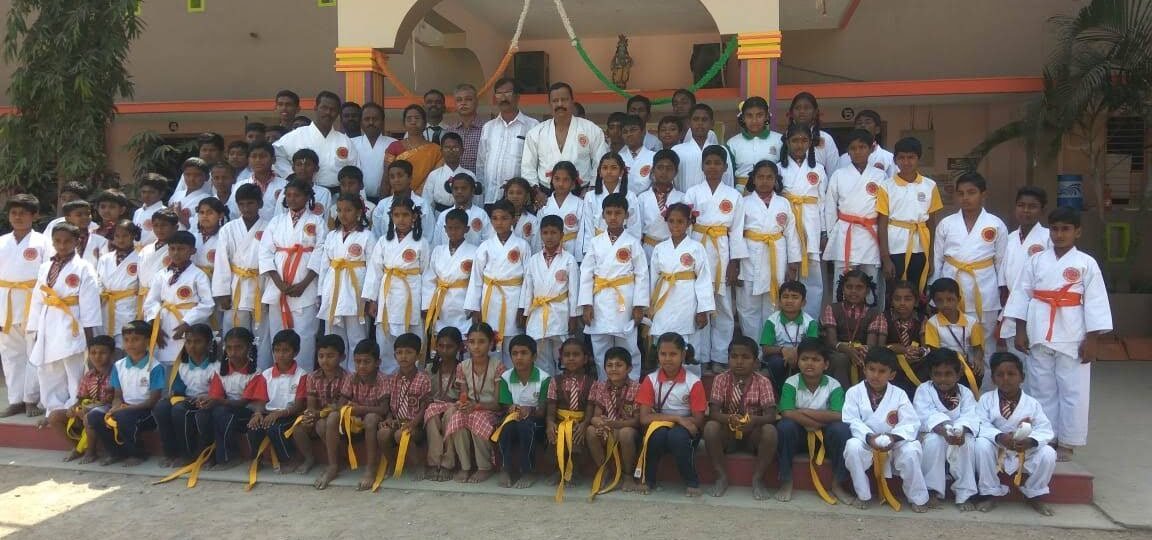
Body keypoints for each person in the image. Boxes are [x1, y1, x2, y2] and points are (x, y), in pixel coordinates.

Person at [1003, 206, 1111, 462]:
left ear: (1077, 232)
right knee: (1041, 388)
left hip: (1073, 334)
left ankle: (1069, 441)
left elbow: (1096, 302)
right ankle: (1046, 436)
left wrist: (1092, 339)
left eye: (1066, 229)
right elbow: (1021, 295)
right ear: (1049, 231)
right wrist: (1020, 330)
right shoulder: (1036, 260)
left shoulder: (1086, 263)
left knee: (1073, 390)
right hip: (1039, 330)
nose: (1060, 234)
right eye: (1055, 229)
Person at [933, 171, 1008, 384]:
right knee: (951, 340)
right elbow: (937, 260)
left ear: (983, 195)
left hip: (984, 291)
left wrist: (1003, 294)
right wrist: (934, 293)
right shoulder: (946, 223)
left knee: (984, 343)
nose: (965, 198)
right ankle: (951, 390)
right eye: (961, 193)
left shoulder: (996, 224)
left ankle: (985, 392)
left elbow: (1001, 263)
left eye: (971, 192)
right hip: (951, 289)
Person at [842, 346, 929, 512]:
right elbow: (851, 420)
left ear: (892, 375)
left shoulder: (899, 394)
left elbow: (910, 422)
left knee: (912, 449)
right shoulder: (854, 392)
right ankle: (863, 495)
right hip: (866, 441)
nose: (875, 375)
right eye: (871, 369)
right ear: (864, 370)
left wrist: (893, 438)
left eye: (882, 371)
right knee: (852, 446)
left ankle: (917, 497)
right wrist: (870, 437)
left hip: (894, 442)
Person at [683, 145, 746, 370]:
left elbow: (737, 231)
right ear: (702, 166)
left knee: (723, 306)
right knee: (699, 303)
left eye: (717, 163)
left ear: (725, 167)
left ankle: (719, 356)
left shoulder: (734, 195)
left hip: (722, 251)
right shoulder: (692, 192)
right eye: (708, 163)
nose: (712, 167)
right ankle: (700, 356)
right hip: (698, 248)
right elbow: (687, 227)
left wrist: (734, 262)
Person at [29, 223, 101, 416]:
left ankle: (74, 407)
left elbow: (90, 302)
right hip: (48, 319)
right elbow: (37, 298)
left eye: (67, 241)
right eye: (58, 241)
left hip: (72, 320)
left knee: (74, 367)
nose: (62, 245)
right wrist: (34, 327)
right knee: (48, 367)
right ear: (52, 242)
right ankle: (53, 408)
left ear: (77, 242)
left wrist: (90, 334)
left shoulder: (84, 267)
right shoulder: (45, 266)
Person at [973, 352, 1057, 516]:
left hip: (1023, 451)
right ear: (993, 379)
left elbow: (1045, 429)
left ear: (1022, 377)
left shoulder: (1032, 404)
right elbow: (980, 424)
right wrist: (1000, 437)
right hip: (997, 449)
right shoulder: (986, 400)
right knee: (981, 444)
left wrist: (1031, 441)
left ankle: (1035, 494)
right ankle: (990, 492)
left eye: (1011, 374)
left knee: (1048, 453)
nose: (1006, 379)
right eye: (1000, 375)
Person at [259, 179, 327, 370]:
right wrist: (278, 282)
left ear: (307, 197)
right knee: (278, 333)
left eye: (297, 195)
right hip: (279, 286)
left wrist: (304, 283)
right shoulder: (276, 221)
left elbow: (321, 252)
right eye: (288, 195)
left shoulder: (317, 222)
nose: (292, 199)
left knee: (305, 334)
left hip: (305, 286)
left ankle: (303, 378)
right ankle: (279, 376)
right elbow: (265, 252)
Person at [775, 337, 853, 503]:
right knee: (785, 427)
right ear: (798, 362)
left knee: (842, 430)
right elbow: (786, 412)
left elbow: (838, 415)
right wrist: (814, 422)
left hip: (825, 437)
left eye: (816, 360)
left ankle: (838, 484)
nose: (809, 363)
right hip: (799, 436)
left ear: (826, 365)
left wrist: (804, 411)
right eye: (805, 359)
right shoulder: (791, 383)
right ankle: (786, 480)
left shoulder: (833, 384)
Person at [580, 194, 648, 381]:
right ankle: (604, 386)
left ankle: (632, 386)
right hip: (600, 300)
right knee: (600, 349)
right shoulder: (595, 242)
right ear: (602, 215)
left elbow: (642, 275)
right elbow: (586, 274)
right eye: (609, 213)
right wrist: (586, 304)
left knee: (629, 346)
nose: (613, 217)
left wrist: (639, 305)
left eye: (618, 213)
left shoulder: (632, 243)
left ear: (626, 215)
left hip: (625, 299)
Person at [702, 336, 779, 499]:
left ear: (755, 362)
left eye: (745, 357)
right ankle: (721, 476)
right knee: (710, 428)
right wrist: (730, 418)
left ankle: (758, 478)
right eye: (734, 357)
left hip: (753, 433)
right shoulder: (720, 379)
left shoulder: (763, 381)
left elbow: (771, 415)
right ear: (728, 359)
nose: (739, 361)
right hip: (728, 432)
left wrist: (755, 420)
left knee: (770, 431)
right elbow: (714, 413)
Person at [635, 332, 707, 496]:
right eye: (663, 354)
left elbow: (698, 420)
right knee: (656, 435)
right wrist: (677, 418)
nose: (667, 359)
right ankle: (648, 479)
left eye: (673, 354)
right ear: (658, 355)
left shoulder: (693, 381)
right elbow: (644, 418)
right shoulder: (650, 380)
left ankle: (692, 481)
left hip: (686, 430)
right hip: (661, 426)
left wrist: (680, 423)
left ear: (683, 355)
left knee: (677, 436)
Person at [363, 197, 428, 375]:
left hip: (411, 296)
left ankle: (413, 378)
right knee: (385, 340)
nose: (401, 219)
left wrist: (426, 304)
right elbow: (375, 271)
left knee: (411, 339)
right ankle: (387, 378)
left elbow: (427, 274)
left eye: (405, 215)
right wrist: (372, 300)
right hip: (387, 295)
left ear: (414, 217)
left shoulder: (421, 242)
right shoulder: (383, 241)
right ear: (391, 217)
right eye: (397, 215)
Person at [738, 160, 801, 339]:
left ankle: (769, 347)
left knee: (773, 304)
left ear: (776, 180)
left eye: (769, 177)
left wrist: (793, 263)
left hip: (776, 256)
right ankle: (752, 348)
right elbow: (736, 235)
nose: (764, 181)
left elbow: (791, 233)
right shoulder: (743, 202)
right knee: (748, 306)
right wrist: (735, 263)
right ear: (753, 179)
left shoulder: (783, 203)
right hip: (749, 257)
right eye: (760, 177)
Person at [647, 203, 713, 376]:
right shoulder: (660, 248)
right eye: (671, 221)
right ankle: (662, 380)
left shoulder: (696, 248)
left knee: (688, 343)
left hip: (687, 300)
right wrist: (649, 305)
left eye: (680, 222)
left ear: (689, 223)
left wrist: (703, 309)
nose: (675, 225)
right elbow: (653, 278)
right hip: (663, 300)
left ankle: (691, 383)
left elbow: (704, 280)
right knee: (662, 339)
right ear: (666, 222)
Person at [316, 339, 388, 491]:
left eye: (366, 362)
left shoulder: (382, 379)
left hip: (374, 419)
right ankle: (333, 465)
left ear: (377, 363)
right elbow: (341, 404)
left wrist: (360, 409)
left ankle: (370, 468)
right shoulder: (351, 377)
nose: (361, 366)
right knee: (332, 417)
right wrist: (340, 408)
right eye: (357, 361)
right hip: (354, 419)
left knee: (370, 419)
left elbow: (383, 409)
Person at [91, 320, 165, 466]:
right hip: (125, 408)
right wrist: (115, 406)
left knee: (123, 416)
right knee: (94, 415)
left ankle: (138, 453)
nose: (130, 344)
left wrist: (126, 409)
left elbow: (152, 401)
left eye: (136, 339)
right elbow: (118, 395)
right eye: (126, 340)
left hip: (147, 412)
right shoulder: (118, 366)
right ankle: (115, 452)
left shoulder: (155, 367)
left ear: (147, 341)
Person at [0, 195, 49, 418]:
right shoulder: (2, 242)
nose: (18, 217)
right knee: (10, 354)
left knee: (34, 353)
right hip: (6, 303)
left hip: (34, 302)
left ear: (34, 215)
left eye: (23, 213)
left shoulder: (44, 242)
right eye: (14, 213)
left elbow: (49, 274)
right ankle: (16, 400)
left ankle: (32, 399)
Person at [312, 194, 375, 365]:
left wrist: (369, 297)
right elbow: (324, 266)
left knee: (357, 338)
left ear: (359, 212)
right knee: (333, 338)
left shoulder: (367, 236)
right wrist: (321, 293)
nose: (343, 214)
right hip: (333, 288)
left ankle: (356, 374)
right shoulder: (332, 235)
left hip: (356, 290)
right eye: (339, 210)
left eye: (348, 210)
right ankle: (336, 373)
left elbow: (373, 269)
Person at [464, 200, 529, 366]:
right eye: (495, 218)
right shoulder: (485, 246)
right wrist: (475, 307)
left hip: (514, 298)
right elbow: (476, 278)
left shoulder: (522, 245)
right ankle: (492, 378)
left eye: (504, 218)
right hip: (490, 298)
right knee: (491, 340)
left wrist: (523, 307)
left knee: (512, 341)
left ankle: (511, 377)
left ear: (514, 219)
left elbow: (528, 280)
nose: (499, 223)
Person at [913, 348, 980, 510]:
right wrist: (945, 432)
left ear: (958, 374)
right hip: (933, 433)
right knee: (934, 441)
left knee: (967, 443)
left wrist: (961, 431)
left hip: (959, 434)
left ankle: (964, 493)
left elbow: (971, 416)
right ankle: (932, 490)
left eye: (948, 374)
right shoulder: (924, 390)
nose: (942, 379)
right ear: (931, 374)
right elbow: (924, 416)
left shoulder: (965, 393)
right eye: (937, 374)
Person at [877, 137, 942, 294]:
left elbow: (931, 224)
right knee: (895, 292)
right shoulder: (886, 186)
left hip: (921, 246)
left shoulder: (930, 185)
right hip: (895, 247)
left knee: (918, 291)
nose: (906, 162)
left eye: (911, 157)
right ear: (895, 160)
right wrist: (886, 258)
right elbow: (882, 225)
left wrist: (931, 257)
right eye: (901, 157)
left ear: (919, 158)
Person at [212, 184, 268, 366]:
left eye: (250, 203)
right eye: (242, 204)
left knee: (261, 334)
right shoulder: (228, 229)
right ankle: (233, 370)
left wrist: (271, 292)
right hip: (236, 286)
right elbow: (221, 261)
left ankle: (261, 370)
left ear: (260, 204)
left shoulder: (269, 227)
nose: (246, 208)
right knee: (235, 332)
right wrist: (222, 293)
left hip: (261, 285)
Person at [243, 329, 307, 486]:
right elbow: (261, 399)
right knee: (253, 427)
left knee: (276, 429)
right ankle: (256, 458)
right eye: (277, 350)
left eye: (286, 350)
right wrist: (258, 414)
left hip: (290, 414)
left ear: (296, 352)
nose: (280, 355)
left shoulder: (301, 375)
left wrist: (280, 414)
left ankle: (289, 459)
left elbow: (299, 405)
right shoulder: (266, 374)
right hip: (269, 413)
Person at [142, 230, 214, 368]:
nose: (176, 253)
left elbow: (207, 304)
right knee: (163, 363)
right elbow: (151, 301)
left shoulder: (199, 275)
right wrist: (155, 326)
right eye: (172, 249)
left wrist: (187, 323)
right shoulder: (161, 274)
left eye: (181, 249)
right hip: (163, 325)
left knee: (185, 363)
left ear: (192, 251)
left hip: (188, 325)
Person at [521, 82, 608, 195]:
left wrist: (591, 189)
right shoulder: (536, 133)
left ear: (572, 101)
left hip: (582, 192)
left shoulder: (591, 130)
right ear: (549, 104)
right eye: (555, 101)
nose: (560, 104)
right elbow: (528, 167)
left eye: (564, 99)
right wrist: (537, 193)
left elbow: (600, 162)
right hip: (545, 193)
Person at [519, 215, 580, 376]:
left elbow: (574, 291)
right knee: (541, 358)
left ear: (561, 234)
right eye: (545, 233)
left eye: (553, 233)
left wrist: (574, 316)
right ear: (540, 234)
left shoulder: (569, 260)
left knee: (562, 356)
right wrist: (525, 312)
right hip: (537, 312)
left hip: (560, 312)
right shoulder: (533, 260)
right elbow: (528, 289)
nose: (549, 237)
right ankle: (546, 388)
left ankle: (562, 386)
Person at [823, 129, 885, 286]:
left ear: (871, 149)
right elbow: (830, 207)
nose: (858, 152)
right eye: (853, 148)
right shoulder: (839, 175)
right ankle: (840, 303)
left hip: (870, 233)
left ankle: (871, 304)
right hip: (845, 232)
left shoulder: (880, 176)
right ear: (848, 152)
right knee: (842, 280)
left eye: (862, 147)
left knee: (870, 279)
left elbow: (884, 210)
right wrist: (831, 233)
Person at [778, 122, 827, 317]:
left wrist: (824, 232)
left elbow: (823, 203)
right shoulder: (778, 168)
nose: (799, 145)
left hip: (812, 225)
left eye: (804, 140)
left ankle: (810, 321)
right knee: (786, 273)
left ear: (810, 143)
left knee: (812, 277)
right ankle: (784, 321)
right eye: (795, 140)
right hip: (787, 224)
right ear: (787, 142)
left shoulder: (819, 169)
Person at [153, 323, 218, 468]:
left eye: (198, 342)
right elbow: (178, 389)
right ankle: (170, 453)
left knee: (180, 410)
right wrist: (173, 395)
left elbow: (217, 392)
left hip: (209, 403)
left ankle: (187, 454)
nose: (192, 346)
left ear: (208, 344)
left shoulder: (216, 366)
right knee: (161, 407)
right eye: (188, 342)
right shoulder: (182, 366)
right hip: (188, 400)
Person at [448, 322, 505, 484]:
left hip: (492, 411)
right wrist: (463, 405)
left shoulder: (498, 366)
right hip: (472, 409)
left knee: (476, 418)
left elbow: (498, 403)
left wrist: (477, 407)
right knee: (458, 418)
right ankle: (465, 466)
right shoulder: (463, 366)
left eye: (481, 342)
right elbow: (464, 395)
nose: (476, 346)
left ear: (491, 343)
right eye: (472, 342)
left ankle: (484, 467)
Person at [491, 335, 550, 489]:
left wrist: (529, 410)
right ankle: (505, 469)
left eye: (524, 353)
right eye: (515, 354)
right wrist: (511, 408)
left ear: (534, 356)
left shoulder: (544, 378)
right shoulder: (506, 377)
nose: (519, 357)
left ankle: (528, 471)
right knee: (507, 427)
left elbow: (542, 411)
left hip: (536, 423)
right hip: (513, 419)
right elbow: (505, 405)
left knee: (525, 426)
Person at [999, 187, 1050, 355]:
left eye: (1032, 206)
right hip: (1013, 304)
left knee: (1037, 361)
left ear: (1042, 210)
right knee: (1015, 361)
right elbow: (1003, 274)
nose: (1026, 210)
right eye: (1021, 205)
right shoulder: (1010, 238)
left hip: (1039, 305)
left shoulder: (1049, 237)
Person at [273, 90, 359, 191]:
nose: (328, 112)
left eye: (333, 109)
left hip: (338, 194)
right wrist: (290, 175)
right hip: (304, 192)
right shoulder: (296, 135)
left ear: (338, 113)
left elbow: (356, 172)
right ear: (315, 108)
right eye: (324, 108)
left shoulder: (345, 141)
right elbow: (275, 155)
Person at [48, 335, 115, 463]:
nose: (97, 356)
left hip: (108, 411)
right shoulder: (89, 375)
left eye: (102, 353)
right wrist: (74, 408)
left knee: (89, 417)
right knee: (54, 416)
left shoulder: (116, 373)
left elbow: (114, 400)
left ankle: (91, 452)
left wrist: (89, 409)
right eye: (93, 353)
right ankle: (77, 448)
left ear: (112, 354)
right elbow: (82, 398)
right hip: (88, 409)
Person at [585, 345, 641, 497]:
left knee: (625, 433)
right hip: (608, 429)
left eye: (619, 365)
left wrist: (615, 424)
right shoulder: (600, 386)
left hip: (628, 430)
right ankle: (604, 470)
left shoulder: (637, 388)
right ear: (604, 368)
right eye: (609, 365)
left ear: (629, 368)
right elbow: (595, 416)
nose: (614, 369)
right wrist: (599, 423)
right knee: (590, 431)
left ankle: (628, 475)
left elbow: (637, 421)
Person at [544, 336, 594, 499]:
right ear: (561, 358)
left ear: (585, 359)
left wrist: (585, 424)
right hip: (560, 420)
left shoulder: (591, 382)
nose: (571, 358)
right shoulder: (555, 381)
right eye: (567, 355)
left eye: (576, 354)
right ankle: (558, 470)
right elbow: (551, 405)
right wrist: (550, 423)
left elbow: (590, 407)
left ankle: (574, 471)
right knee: (556, 435)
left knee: (576, 437)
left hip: (579, 421)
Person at [378, 334, 431, 486]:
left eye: (408, 352)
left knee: (401, 434)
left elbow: (425, 406)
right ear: (394, 355)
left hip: (417, 425)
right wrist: (389, 419)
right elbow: (388, 406)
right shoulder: (391, 379)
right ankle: (392, 463)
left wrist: (413, 423)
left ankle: (417, 465)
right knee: (383, 433)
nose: (403, 356)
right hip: (397, 421)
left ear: (418, 355)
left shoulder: (423, 378)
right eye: (399, 353)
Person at [292, 334, 348, 476]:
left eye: (330, 356)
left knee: (323, 425)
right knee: (298, 428)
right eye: (321, 356)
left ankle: (334, 461)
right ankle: (309, 458)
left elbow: (340, 406)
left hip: (338, 418)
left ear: (342, 357)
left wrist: (320, 415)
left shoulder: (347, 378)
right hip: (318, 415)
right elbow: (311, 405)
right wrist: (310, 415)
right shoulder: (312, 377)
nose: (324, 360)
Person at [477, 78, 539, 204]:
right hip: (490, 198)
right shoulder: (488, 127)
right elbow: (481, 163)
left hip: (519, 200)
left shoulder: (533, 126)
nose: (503, 98)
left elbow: (537, 163)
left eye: (508, 93)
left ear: (517, 97)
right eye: (499, 94)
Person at [203, 326, 258, 470]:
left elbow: (243, 403)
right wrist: (206, 401)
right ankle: (208, 456)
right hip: (225, 409)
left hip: (247, 414)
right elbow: (215, 395)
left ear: (249, 348)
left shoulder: (256, 373)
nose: (233, 352)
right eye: (229, 348)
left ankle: (230, 457)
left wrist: (217, 401)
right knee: (202, 414)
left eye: (238, 347)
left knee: (220, 413)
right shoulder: (220, 371)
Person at [824, 270, 886, 389]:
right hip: (838, 350)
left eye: (859, 287)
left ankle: (864, 395)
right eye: (849, 287)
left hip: (861, 350)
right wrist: (847, 349)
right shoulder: (832, 308)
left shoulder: (874, 313)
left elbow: (871, 344)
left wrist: (859, 351)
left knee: (867, 359)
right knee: (840, 359)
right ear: (843, 289)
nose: (853, 291)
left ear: (867, 291)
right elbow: (832, 341)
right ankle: (843, 395)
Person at [421, 209, 476, 339]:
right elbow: (429, 280)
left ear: (466, 229)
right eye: (450, 228)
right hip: (441, 303)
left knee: (464, 337)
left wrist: (474, 308)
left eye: (457, 228)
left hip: (463, 303)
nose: (453, 232)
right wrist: (427, 306)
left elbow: (476, 283)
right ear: (445, 229)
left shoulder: (474, 251)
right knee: (442, 338)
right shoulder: (438, 251)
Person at [924, 277, 984, 394]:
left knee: (976, 374)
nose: (945, 304)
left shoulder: (972, 322)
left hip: (966, 364)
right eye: (939, 301)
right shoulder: (932, 323)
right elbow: (934, 350)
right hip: (943, 364)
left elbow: (977, 348)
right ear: (934, 302)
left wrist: (978, 360)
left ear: (958, 299)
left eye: (950, 299)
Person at [760, 281, 820, 392]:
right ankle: (780, 392)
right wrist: (783, 350)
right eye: (785, 297)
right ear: (779, 301)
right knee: (777, 363)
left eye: (795, 297)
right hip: (778, 355)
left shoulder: (810, 322)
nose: (789, 301)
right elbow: (765, 348)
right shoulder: (772, 321)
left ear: (803, 302)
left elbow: (812, 346)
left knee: (808, 360)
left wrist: (795, 352)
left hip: (802, 353)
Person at [423, 327, 463, 481]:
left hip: (454, 407)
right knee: (431, 413)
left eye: (449, 346)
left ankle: (448, 463)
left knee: (451, 413)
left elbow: (465, 396)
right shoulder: (429, 368)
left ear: (459, 348)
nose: (445, 351)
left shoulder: (463, 368)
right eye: (441, 346)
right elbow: (425, 393)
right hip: (434, 406)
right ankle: (434, 462)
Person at [673, 104, 735, 192]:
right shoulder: (677, 150)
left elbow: (728, 179)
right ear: (689, 123)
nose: (700, 123)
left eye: (704, 119)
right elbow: (672, 181)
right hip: (684, 199)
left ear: (712, 124)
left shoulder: (721, 150)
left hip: (716, 199)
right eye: (696, 119)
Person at [726, 97, 783, 192]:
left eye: (759, 115)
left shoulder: (779, 140)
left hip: (771, 194)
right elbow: (728, 174)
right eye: (749, 116)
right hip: (741, 193)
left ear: (767, 116)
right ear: (743, 118)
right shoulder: (732, 143)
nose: (754, 120)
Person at [636, 150, 685, 259]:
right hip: (648, 249)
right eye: (660, 167)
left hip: (674, 249)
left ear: (676, 172)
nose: (664, 172)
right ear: (653, 170)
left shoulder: (682, 198)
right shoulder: (642, 198)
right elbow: (637, 229)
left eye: (669, 168)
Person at [386, 104, 444, 195]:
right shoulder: (394, 147)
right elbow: (386, 177)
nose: (413, 122)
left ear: (425, 123)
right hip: (397, 198)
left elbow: (435, 178)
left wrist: (417, 196)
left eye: (417, 118)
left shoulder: (436, 150)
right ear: (404, 124)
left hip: (425, 197)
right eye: (409, 119)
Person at [100, 227, 143, 347]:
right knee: (106, 345)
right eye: (117, 236)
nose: (120, 240)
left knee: (126, 343)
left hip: (129, 305)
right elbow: (99, 281)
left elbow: (143, 284)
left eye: (125, 236)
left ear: (133, 236)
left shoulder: (141, 257)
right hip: (106, 304)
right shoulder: (105, 258)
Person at [884, 280, 929, 394]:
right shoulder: (884, 318)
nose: (902, 303)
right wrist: (902, 350)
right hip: (892, 361)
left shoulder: (922, 319)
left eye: (908, 299)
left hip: (916, 362)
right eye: (897, 299)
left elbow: (926, 348)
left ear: (916, 302)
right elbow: (880, 347)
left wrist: (918, 352)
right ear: (891, 301)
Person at [583, 153, 641, 241]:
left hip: (623, 243)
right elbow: (588, 227)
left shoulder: (630, 197)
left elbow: (634, 227)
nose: (609, 172)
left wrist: (629, 246)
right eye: (605, 168)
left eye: (614, 168)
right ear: (599, 172)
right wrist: (591, 247)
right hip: (597, 243)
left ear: (621, 172)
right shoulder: (590, 197)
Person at [371, 160, 434, 240]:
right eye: (392, 177)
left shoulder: (422, 204)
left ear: (410, 178)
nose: (396, 180)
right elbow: (376, 234)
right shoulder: (382, 205)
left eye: (400, 176)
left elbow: (429, 235)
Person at [537, 161, 587, 261]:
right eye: (557, 179)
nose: (561, 184)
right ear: (551, 180)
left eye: (566, 180)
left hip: (572, 249)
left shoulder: (580, 204)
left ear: (573, 183)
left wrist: (579, 259)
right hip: (548, 250)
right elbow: (539, 234)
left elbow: (582, 234)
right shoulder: (545, 205)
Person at [136, 209, 177, 323]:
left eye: (164, 225)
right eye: (156, 225)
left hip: (165, 297)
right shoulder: (146, 249)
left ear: (175, 227)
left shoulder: (177, 250)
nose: (159, 229)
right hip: (144, 296)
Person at [350, 102, 396, 200]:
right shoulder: (351, 143)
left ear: (382, 122)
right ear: (361, 122)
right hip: (357, 199)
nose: (371, 122)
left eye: (375, 119)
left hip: (386, 198)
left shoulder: (393, 144)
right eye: (367, 119)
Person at [431, 173, 490, 248]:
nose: (459, 191)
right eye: (456, 188)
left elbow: (487, 242)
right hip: (446, 255)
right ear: (452, 191)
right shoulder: (444, 215)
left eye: (464, 188)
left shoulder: (481, 215)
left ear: (472, 191)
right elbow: (437, 243)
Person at [788, 92, 840, 175]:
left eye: (807, 108)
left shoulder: (826, 139)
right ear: (791, 113)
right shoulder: (783, 138)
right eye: (797, 108)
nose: (802, 111)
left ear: (815, 112)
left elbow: (834, 174)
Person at [422, 132, 475, 212]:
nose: (451, 151)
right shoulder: (434, 175)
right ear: (441, 151)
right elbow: (427, 203)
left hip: (465, 215)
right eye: (447, 148)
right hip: (439, 215)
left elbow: (476, 202)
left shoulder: (470, 175)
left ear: (462, 151)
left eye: (455, 148)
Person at [274, 149, 334, 218]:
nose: (303, 168)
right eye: (299, 164)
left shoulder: (324, 193)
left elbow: (325, 219)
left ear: (316, 168)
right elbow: (278, 217)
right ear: (293, 168)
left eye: (308, 165)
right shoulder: (286, 191)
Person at [238, 141, 287, 222]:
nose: (258, 160)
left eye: (263, 156)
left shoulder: (285, 185)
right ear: (248, 160)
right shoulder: (239, 185)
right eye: (254, 156)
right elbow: (234, 213)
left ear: (273, 159)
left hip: (277, 228)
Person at [171, 133, 226, 203]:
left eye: (212, 150)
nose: (207, 153)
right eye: (204, 150)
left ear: (221, 152)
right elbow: (177, 197)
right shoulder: (188, 172)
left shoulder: (226, 172)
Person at [838, 110, 895, 176]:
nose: (863, 125)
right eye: (859, 123)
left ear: (877, 129)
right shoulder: (843, 158)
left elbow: (893, 181)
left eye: (868, 122)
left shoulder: (888, 157)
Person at [328, 166, 375, 231]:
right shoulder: (334, 209)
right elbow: (331, 233)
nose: (347, 188)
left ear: (361, 185)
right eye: (343, 184)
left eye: (351, 184)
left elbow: (373, 232)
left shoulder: (372, 208)